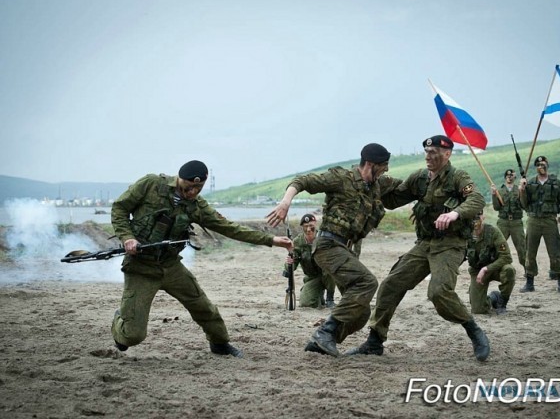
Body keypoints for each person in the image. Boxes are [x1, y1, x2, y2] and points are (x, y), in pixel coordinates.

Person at [110, 160, 293, 358]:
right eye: (189, 187)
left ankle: (219, 343)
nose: (192, 192)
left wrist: (272, 240)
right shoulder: (151, 184)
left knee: (203, 307)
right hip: (141, 268)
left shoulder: (197, 206)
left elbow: (230, 228)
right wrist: (127, 237)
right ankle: (120, 323)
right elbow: (119, 208)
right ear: (179, 178)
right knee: (132, 336)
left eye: (198, 188)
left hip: (171, 266)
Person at [347, 135, 490, 361]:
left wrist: (455, 213)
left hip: (450, 245)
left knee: (439, 292)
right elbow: (394, 200)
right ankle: (375, 341)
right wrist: (372, 182)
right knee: (390, 285)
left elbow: (477, 199)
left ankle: (473, 330)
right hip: (424, 244)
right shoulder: (420, 178)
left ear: (447, 154)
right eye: (427, 153)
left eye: (434, 153)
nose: (429, 157)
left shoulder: (457, 177)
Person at [266, 143, 402, 357]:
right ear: (370, 164)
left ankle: (322, 343)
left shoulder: (377, 185)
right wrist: (285, 202)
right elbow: (302, 181)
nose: (385, 171)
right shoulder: (341, 178)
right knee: (367, 282)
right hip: (328, 245)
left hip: (345, 250)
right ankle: (325, 333)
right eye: (382, 167)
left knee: (360, 311)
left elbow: (406, 188)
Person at [519, 155, 560, 293]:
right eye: (538, 165)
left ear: (547, 165)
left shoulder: (556, 183)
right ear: (536, 167)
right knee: (530, 252)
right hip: (533, 220)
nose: (541, 166)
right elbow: (524, 205)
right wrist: (522, 190)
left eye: (543, 164)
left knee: (555, 252)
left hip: (549, 221)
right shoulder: (530, 183)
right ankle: (529, 282)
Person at [283, 213, 337, 308]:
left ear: (315, 224)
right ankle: (319, 296)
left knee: (330, 268)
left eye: (311, 226)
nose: (308, 229)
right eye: (305, 226)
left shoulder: (323, 238)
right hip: (312, 278)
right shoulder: (297, 242)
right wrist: (289, 264)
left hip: (328, 276)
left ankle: (330, 298)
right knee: (306, 303)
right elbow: (292, 266)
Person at [467, 212, 515, 315]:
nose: (475, 222)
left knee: (509, 270)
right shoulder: (466, 233)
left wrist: (486, 269)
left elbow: (506, 257)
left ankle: (502, 302)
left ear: (483, 217)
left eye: (477, 217)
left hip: (496, 268)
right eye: (471, 218)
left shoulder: (493, 232)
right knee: (478, 310)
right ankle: (494, 298)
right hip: (477, 270)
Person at [491, 169, 526, 269]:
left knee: (522, 247)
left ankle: (527, 271)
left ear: (514, 178)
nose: (509, 177)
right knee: (497, 245)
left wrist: (522, 191)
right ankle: (493, 268)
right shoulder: (500, 191)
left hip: (516, 222)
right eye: (507, 175)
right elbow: (496, 207)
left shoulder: (518, 189)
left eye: (511, 175)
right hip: (503, 222)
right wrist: (494, 195)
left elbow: (524, 205)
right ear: (505, 177)